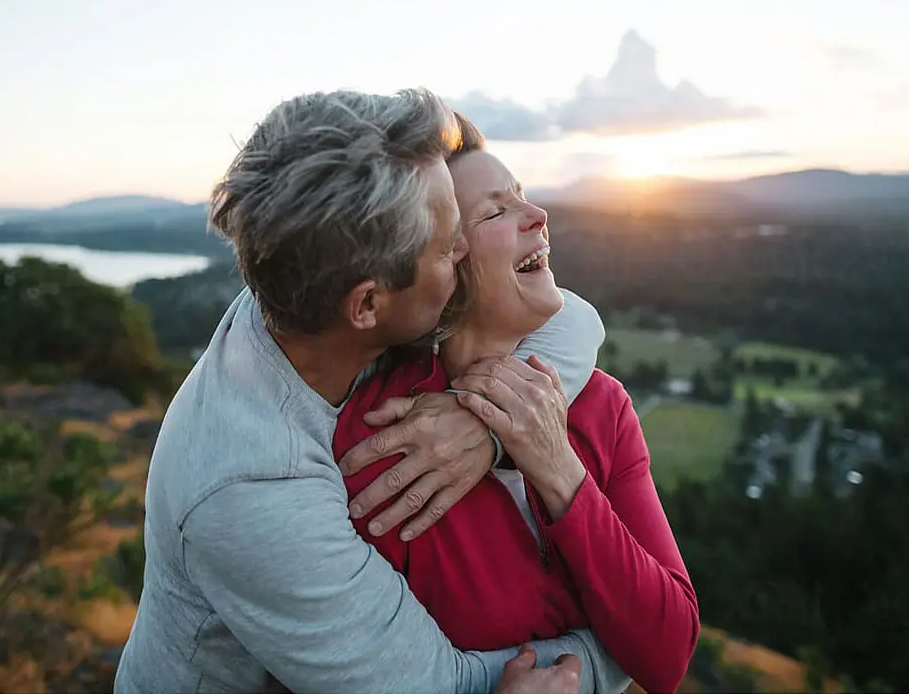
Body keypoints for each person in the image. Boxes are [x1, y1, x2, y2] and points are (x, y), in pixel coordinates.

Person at [115, 89, 624, 694]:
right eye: (447, 245)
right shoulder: (254, 489)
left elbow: (571, 316)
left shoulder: (311, 276)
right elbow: (439, 685)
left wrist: (484, 426)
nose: (463, 255)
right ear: (368, 305)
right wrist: (613, 653)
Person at [334, 115, 700, 694]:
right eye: (496, 212)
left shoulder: (603, 407)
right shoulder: (386, 442)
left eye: (523, 197)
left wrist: (558, 469)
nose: (539, 216)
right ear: (439, 265)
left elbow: (668, 652)